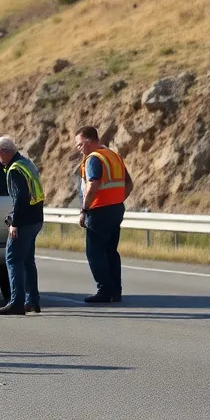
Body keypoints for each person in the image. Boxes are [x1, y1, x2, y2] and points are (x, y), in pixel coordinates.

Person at [74, 125, 133, 303]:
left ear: (89, 141)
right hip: (116, 209)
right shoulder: (114, 156)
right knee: (110, 251)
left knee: (94, 253)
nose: (78, 149)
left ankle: (105, 290)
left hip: (99, 211)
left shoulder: (94, 159)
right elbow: (129, 184)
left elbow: (93, 185)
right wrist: (116, 200)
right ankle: (116, 291)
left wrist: (84, 210)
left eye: (79, 144)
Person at [0, 135, 45, 315]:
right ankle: (32, 301)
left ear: (3, 152)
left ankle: (16, 303)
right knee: (28, 261)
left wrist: (14, 222)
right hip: (36, 218)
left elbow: (21, 198)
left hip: (24, 221)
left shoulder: (14, 169)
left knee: (13, 259)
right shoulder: (27, 164)